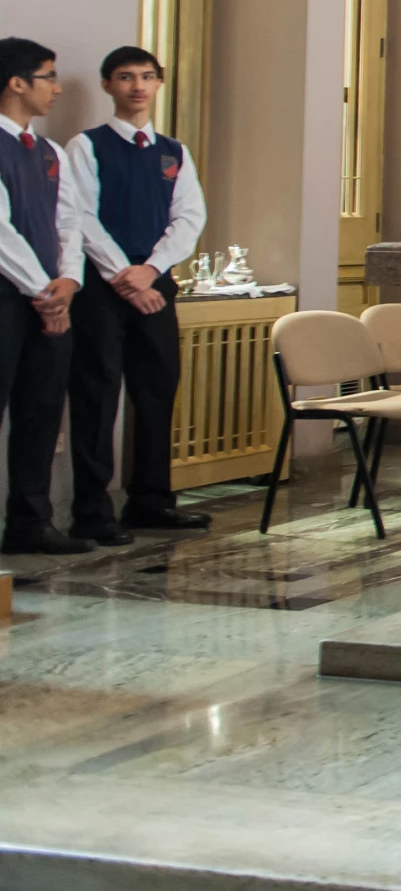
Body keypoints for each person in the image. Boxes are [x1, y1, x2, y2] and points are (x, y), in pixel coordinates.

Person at [62, 48, 210, 545]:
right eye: (125, 77)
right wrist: (124, 274)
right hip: (102, 289)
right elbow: (81, 217)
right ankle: (92, 511)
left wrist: (150, 271)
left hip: (154, 283)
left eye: (147, 77)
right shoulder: (87, 146)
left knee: (156, 390)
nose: (137, 86)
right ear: (108, 86)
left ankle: (151, 500)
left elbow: (189, 218)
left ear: (159, 83)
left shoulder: (174, 151)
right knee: (97, 395)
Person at [0, 38, 92, 556]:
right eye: (48, 77)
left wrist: (69, 283)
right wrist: (43, 290)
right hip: (11, 296)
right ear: (16, 82)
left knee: (40, 409)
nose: (57, 88)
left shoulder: (51, 152)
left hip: (49, 298)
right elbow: (1, 232)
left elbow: (69, 223)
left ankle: (30, 523)